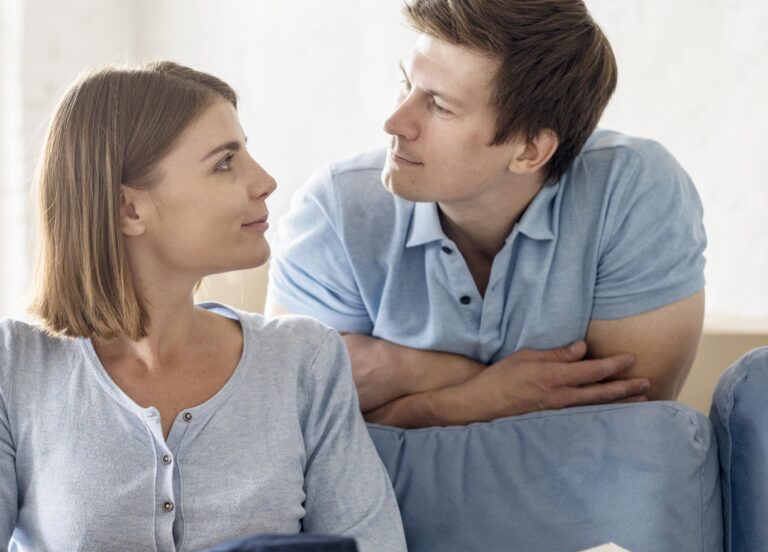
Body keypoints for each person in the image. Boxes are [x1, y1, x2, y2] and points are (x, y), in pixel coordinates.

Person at [0, 62, 411, 552]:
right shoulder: (0, 365)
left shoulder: (304, 356)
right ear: (129, 210)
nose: (266, 181)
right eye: (226, 162)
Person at [266, 0, 706, 428]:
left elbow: (622, 426)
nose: (395, 122)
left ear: (530, 150)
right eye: (406, 83)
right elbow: (290, 429)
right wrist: (462, 394)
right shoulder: (336, 208)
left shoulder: (631, 190)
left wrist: (394, 376)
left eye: (439, 105)